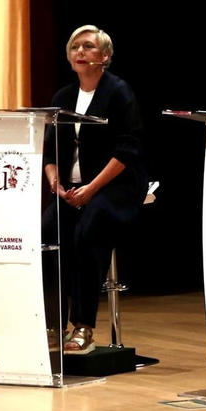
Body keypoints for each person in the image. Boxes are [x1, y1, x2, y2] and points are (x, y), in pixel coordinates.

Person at [42, 25, 149, 353]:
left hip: (115, 187)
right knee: (46, 233)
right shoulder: (62, 97)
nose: (79, 52)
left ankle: (82, 326)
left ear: (105, 56)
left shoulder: (119, 92)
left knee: (89, 229)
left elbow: (127, 151)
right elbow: (50, 152)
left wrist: (91, 188)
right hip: (72, 190)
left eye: (87, 46)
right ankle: (51, 325)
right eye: (74, 46)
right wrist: (55, 182)